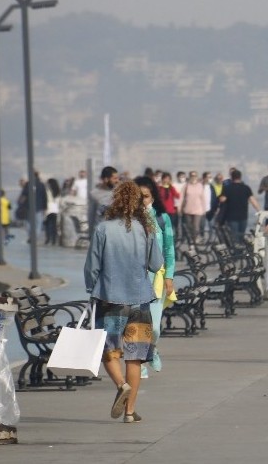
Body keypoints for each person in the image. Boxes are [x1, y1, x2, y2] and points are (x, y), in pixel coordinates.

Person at [84, 181, 163, 423]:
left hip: (110, 298)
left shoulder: (103, 229)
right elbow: (156, 264)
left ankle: (121, 385)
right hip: (140, 300)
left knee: (109, 352)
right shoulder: (146, 229)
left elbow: (92, 267)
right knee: (135, 357)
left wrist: (92, 289)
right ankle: (129, 412)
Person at [134, 176, 175, 379]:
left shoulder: (162, 218)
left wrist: (169, 276)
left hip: (156, 278)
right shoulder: (130, 219)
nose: (143, 201)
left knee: (155, 327)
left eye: (147, 196)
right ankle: (139, 363)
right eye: (139, 197)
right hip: (134, 278)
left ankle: (152, 348)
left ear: (153, 196)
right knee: (136, 324)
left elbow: (169, 249)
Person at [218, 169, 260, 240]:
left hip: (231, 217)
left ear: (231, 177)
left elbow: (222, 199)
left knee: (234, 237)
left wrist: (219, 196)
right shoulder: (246, 188)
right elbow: (253, 201)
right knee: (241, 237)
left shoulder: (228, 188)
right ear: (240, 177)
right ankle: (240, 250)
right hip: (243, 217)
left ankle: (236, 251)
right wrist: (259, 211)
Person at [181, 171, 206, 243]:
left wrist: (204, 209)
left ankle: (195, 239)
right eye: (192, 175)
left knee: (196, 226)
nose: (193, 177)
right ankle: (190, 238)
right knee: (189, 226)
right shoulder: (186, 186)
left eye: (195, 175)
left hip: (198, 210)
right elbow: (182, 198)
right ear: (189, 176)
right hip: (187, 209)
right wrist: (180, 208)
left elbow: (203, 198)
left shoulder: (200, 186)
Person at [44, 177, 61, 246]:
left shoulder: (48, 190)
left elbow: (46, 200)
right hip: (55, 209)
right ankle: (54, 240)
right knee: (54, 226)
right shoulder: (58, 191)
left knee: (47, 225)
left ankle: (48, 239)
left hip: (48, 209)